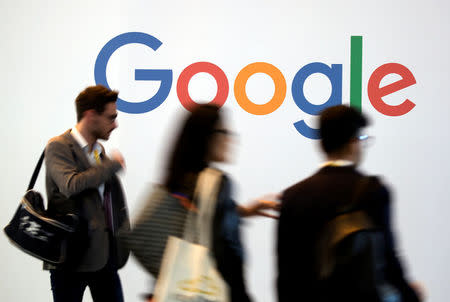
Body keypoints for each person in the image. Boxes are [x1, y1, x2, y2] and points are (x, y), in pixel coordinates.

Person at [277, 105, 422, 302]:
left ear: (321, 144)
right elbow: (387, 261)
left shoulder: (292, 196)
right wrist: (411, 295)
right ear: (353, 142)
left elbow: (285, 277)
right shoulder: (374, 191)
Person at [154, 104, 277, 302]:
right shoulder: (217, 182)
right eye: (224, 132)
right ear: (207, 137)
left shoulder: (176, 181)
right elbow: (227, 254)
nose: (230, 140)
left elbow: (200, 217)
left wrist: (241, 211)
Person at [44, 85, 130, 302]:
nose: (115, 124)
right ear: (91, 115)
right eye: (111, 118)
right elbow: (70, 184)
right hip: (70, 257)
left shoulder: (98, 152)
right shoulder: (58, 146)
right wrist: (111, 166)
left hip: (103, 256)